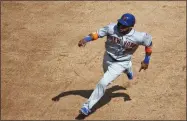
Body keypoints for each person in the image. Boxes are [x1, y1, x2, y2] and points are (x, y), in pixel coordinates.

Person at [77, 13, 152, 116]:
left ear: (131, 27)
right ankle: (128, 69)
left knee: (103, 83)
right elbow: (97, 34)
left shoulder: (139, 37)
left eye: (124, 26)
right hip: (108, 57)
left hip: (121, 62)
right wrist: (86, 39)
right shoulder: (111, 28)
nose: (121, 26)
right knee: (106, 74)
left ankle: (87, 106)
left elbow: (149, 44)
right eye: (120, 23)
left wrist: (147, 60)